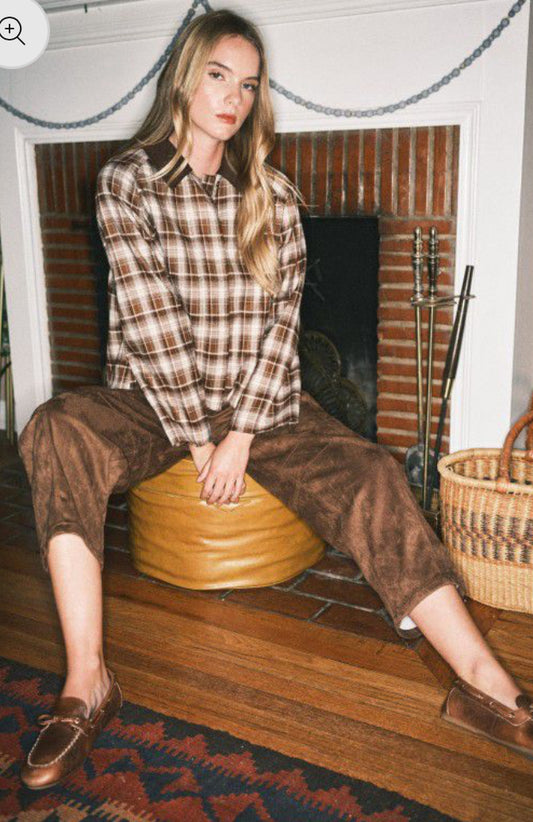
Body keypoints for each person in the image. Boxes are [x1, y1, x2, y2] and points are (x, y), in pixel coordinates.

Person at [17, 8, 533, 790]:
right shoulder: (127, 183)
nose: (234, 97)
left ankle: (484, 687)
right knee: (56, 428)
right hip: (153, 399)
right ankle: (86, 681)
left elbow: (278, 331)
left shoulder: (273, 194)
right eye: (218, 76)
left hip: (257, 404)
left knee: (371, 472)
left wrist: (240, 436)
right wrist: (199, 438)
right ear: (184, 79)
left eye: (249, 85)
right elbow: (151, 323)